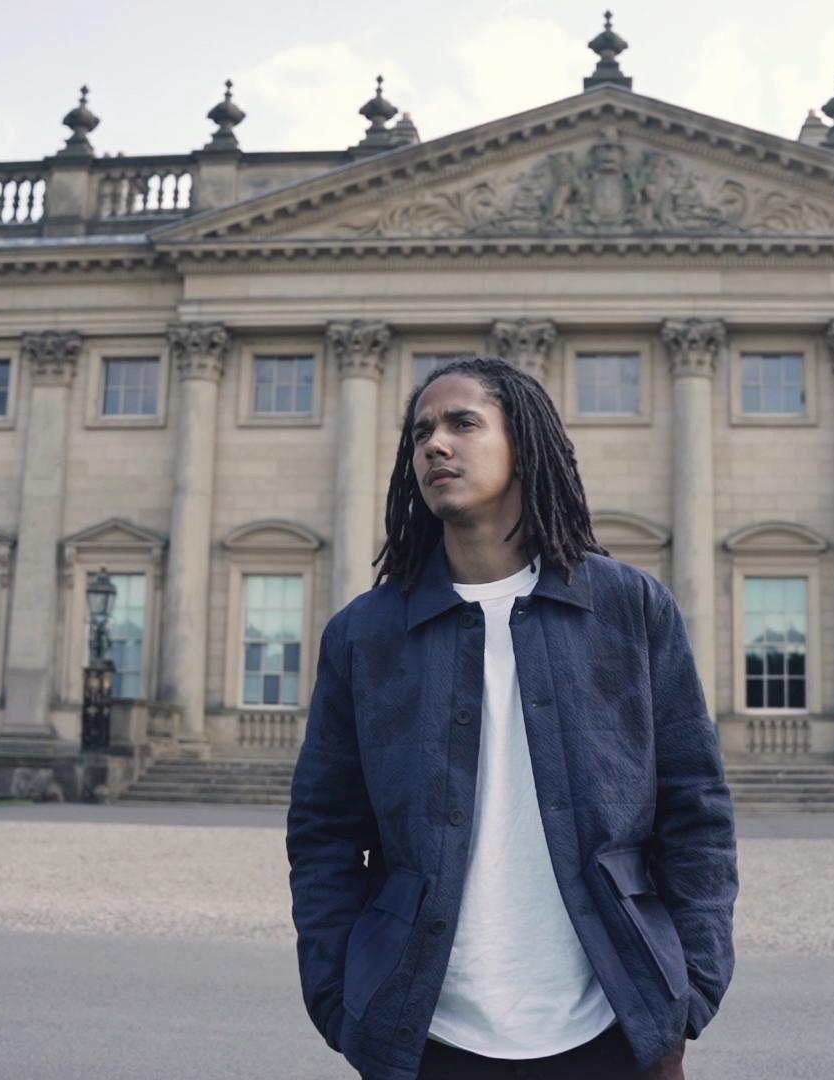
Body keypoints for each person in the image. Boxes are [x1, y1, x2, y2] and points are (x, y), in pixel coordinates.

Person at [287, 356, 738, 1079]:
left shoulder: (629, 607)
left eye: (463, 423)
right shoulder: (365, 633)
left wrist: (688, 988)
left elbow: (696, 810)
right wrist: (341, 1000)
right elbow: (325, 831)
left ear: (523, 444)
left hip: (614, 1025)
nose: (435, 444)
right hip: (424, 1033)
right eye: (421, 432)